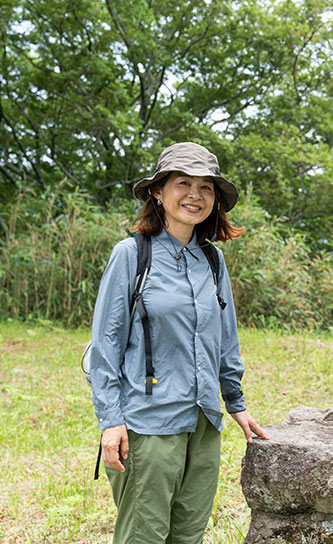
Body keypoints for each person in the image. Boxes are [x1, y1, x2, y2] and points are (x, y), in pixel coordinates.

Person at [89, 141, 269, 543]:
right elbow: (105, 348)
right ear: (157, 191)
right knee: (145, 536)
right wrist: (111, 421)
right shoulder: (131, 256)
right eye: (183, 183)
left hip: (203, 422)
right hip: (149, 424)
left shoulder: (212, 260)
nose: (195, 195)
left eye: (206, 187)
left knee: (188, 535)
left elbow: (225, 338)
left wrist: (235, 403)